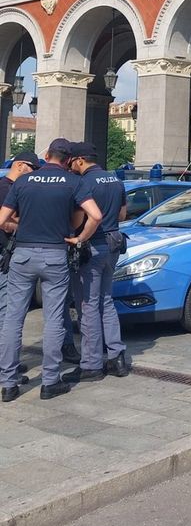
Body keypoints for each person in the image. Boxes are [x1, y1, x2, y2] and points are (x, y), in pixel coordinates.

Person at [0, 138, 102, 402]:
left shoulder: (23, 181)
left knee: (13, 318)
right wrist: (79, 238)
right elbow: (95, 215)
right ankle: (50, 381)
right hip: (55, 254)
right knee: (54, 318)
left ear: (46, 156)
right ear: (68, 160)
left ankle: (8, 384)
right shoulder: (73, 182)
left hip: (22, 254)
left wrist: (26, 225)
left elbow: (2, 219)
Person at [62, 142, 129, 383]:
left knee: (88, 305)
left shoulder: (83, 183)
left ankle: (91, 365)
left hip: (92, 246)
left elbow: (79, 219)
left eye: (71, 161)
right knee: (106, 301)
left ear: (80, 160)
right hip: (114, 244)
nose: (69, 165)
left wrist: (78, 236)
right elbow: (122, 215)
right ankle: (116, 357)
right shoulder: (115, 180)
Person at [0, 151, 41, 384]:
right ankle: (6, 368)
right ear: (20, 165)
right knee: (7, 313)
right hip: (5, 256)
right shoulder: (8, 189)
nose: (34, 174)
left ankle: (8, 361)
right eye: (33, 169)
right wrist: (31, 226)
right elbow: (5, 222)